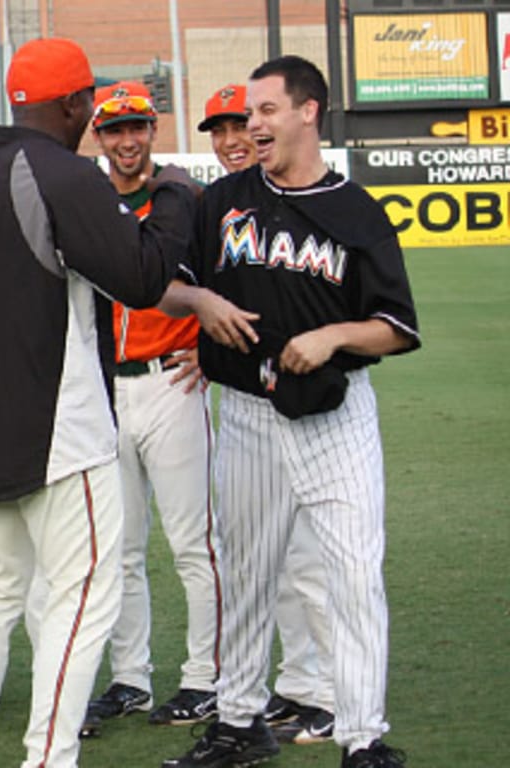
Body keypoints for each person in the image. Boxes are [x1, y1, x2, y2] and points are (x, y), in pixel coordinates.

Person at [0, 38, 193, 768]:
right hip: (53, 427)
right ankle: (47, 758)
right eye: (88, 102)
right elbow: (141, 276)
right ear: (73, 104)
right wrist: (170, 202)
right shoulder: (64, 172)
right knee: (83, 597)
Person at [161, 56, 417, 768]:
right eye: (249, 112)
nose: (252, 125)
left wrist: (335, 334)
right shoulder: (222, 201)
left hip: (334, 415)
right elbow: (168, 290)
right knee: (246, 573)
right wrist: (201, 302)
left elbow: (397, 325)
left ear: (309, 112)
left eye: (267, 110)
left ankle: (363, 736)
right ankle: (240, 722)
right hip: (245, 411)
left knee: (353, 576)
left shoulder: (357, 212)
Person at [80, 81, 224, 736]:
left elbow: (224, 283)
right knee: (121, 547)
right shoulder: (86, 202)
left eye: (136, 127)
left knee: (194, 541)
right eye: (114, 130)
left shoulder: (184, 201)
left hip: (172, 382)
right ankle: (130, 676)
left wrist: (211, 352)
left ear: (153, 131)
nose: (127, 140)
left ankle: (206, 677)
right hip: (107, 389)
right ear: (98, 138)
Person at [198, 81, 336, 746]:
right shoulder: (220, 206)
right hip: (245, 402)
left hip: (307, 403)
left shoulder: (298, 199)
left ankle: (333, 692)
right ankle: (300, 683)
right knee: (262, 556)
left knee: (309, 556)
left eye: (244, 123)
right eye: (222, 129)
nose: (234, 138)